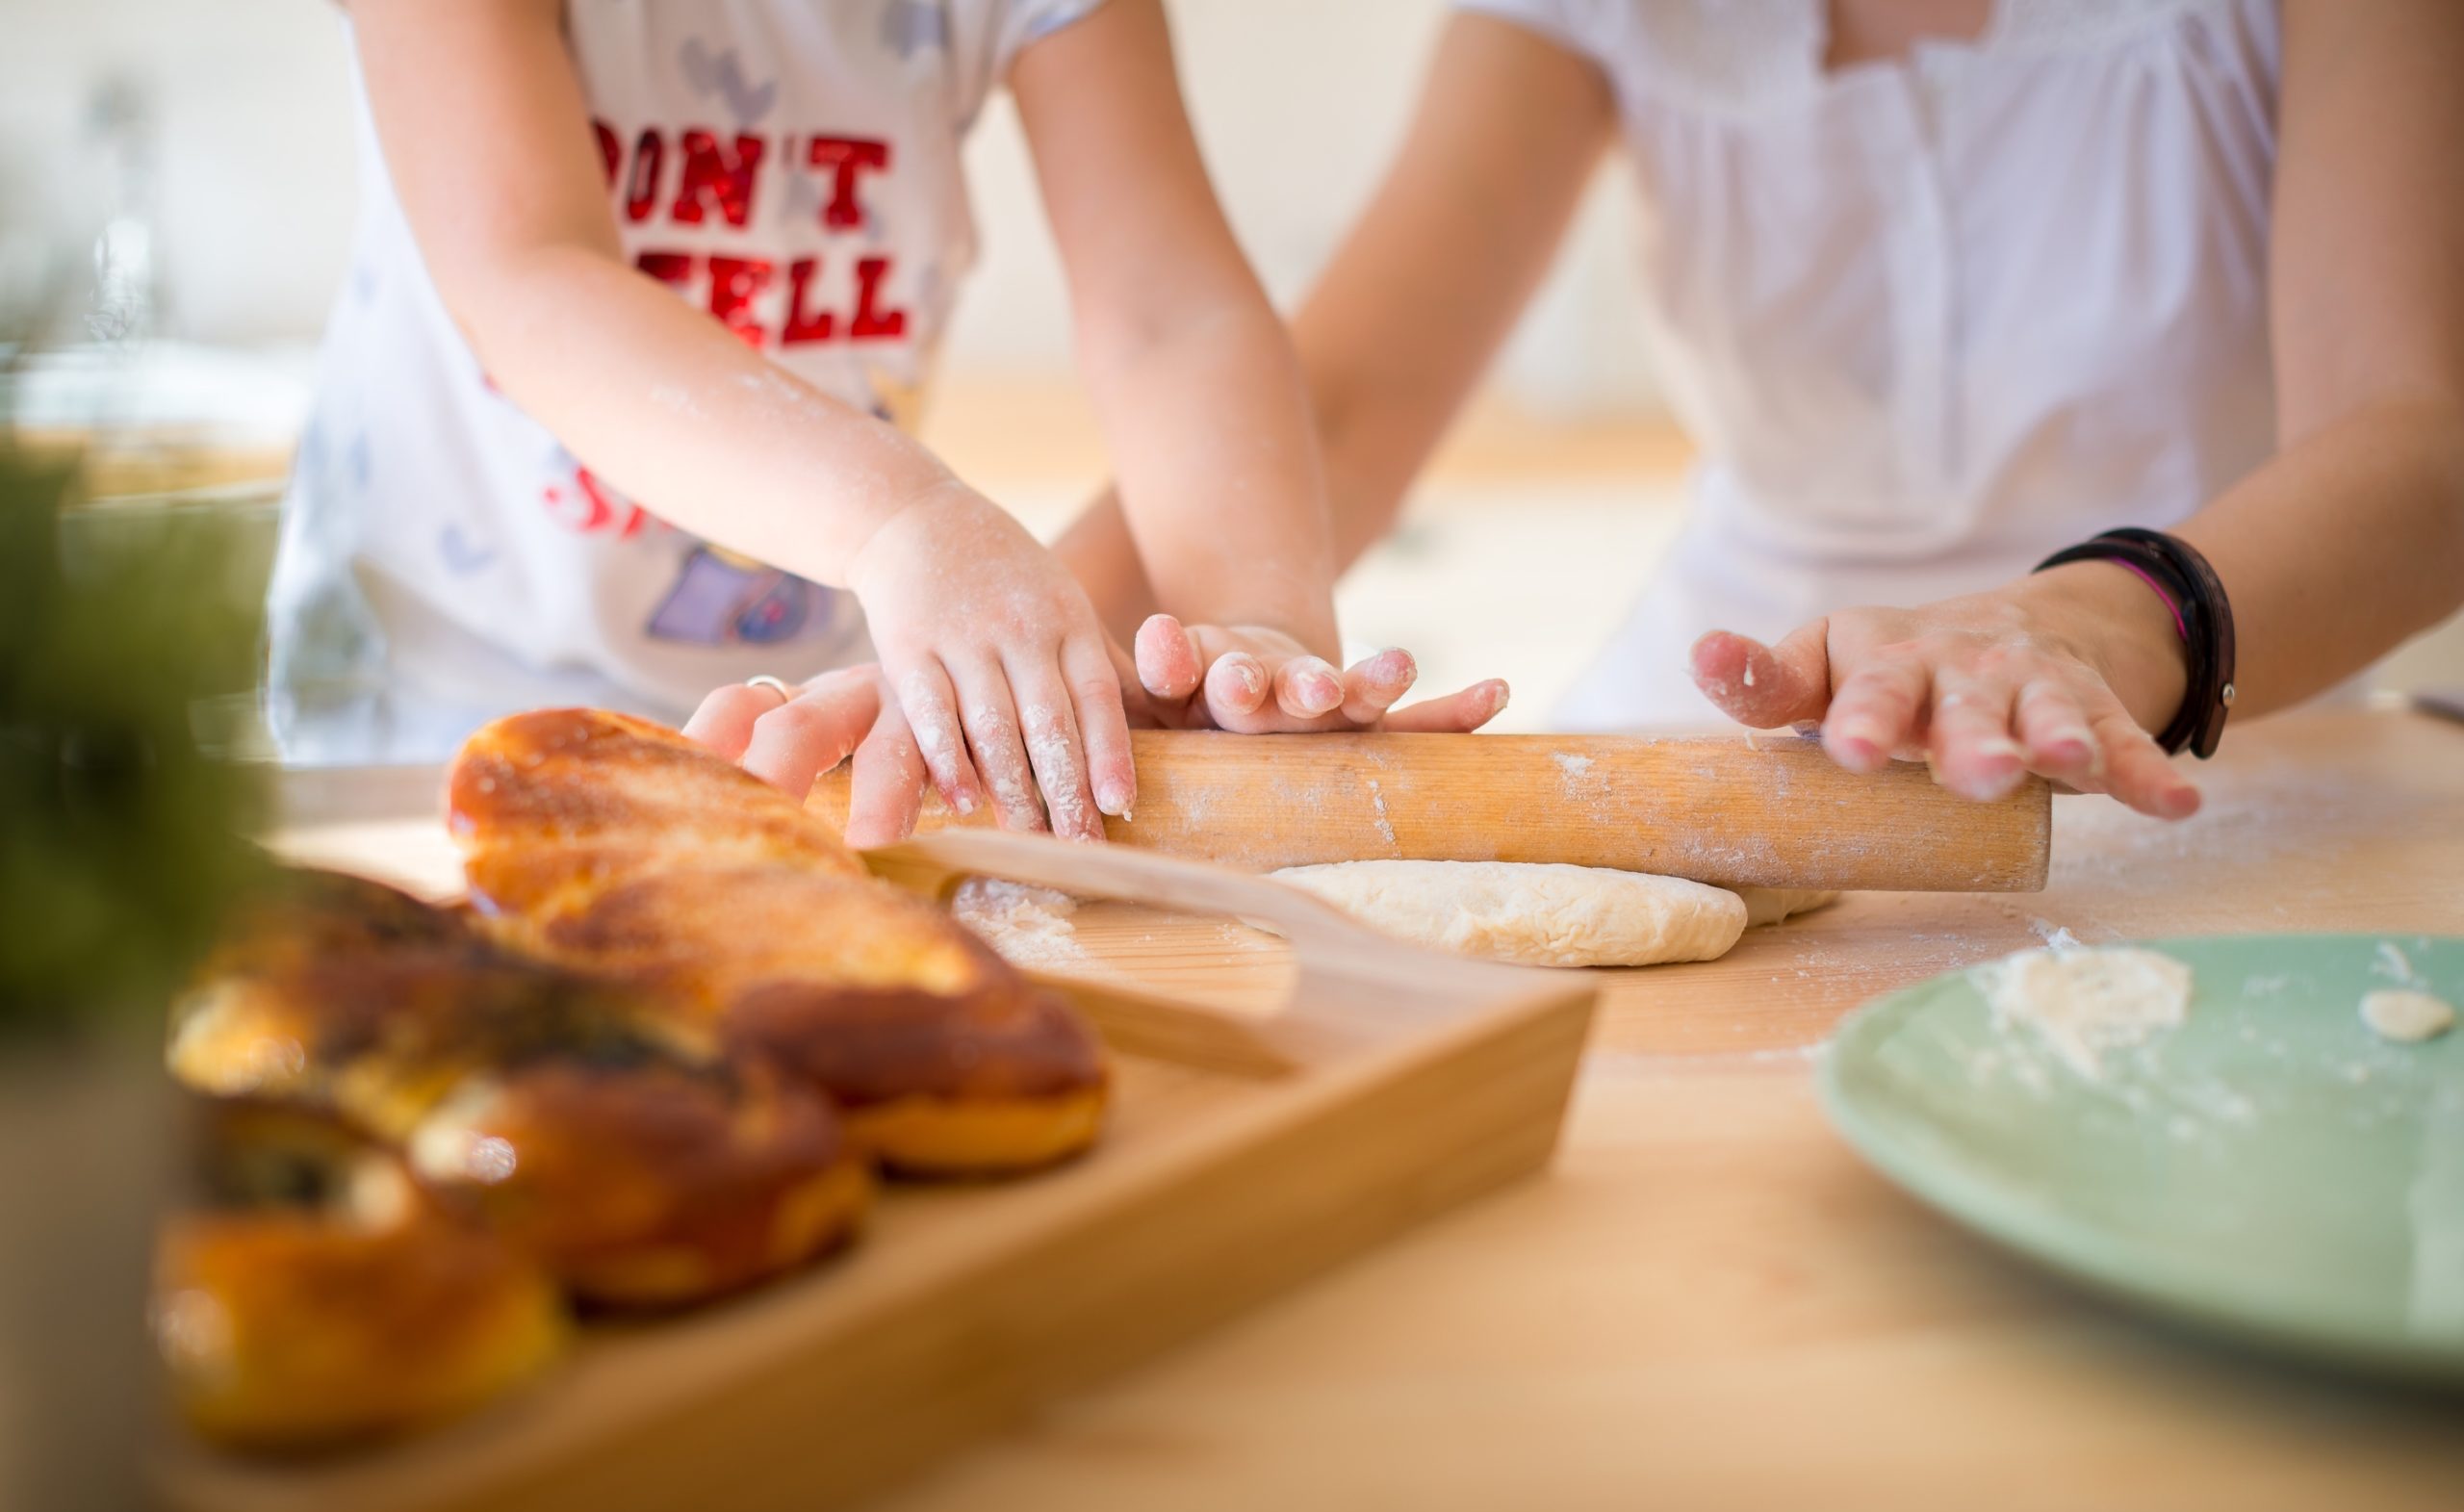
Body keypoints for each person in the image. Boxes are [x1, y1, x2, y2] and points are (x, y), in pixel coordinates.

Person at [834, 0, 2462, 831]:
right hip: (1722, 704)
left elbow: (2419, 441)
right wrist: (1009, 669)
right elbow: (1343, 401)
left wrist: (2098, 627)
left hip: (2209, 689)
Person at [266, 0, 1488, 841]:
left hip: (791, 712)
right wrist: (904, 517)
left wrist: (1253, 626)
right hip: (435, 702)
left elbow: (1170, 315)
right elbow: (527, 270)